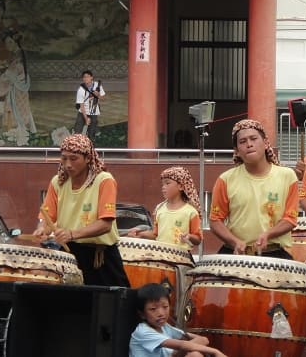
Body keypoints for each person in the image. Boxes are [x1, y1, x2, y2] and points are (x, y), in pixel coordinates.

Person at [33, 133, 130, 287]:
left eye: (74, 158)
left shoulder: (104, 180)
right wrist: (41, 229)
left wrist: (71, 234)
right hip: (69, 255)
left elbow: (105, 224)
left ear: (87, 158)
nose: (68, 164)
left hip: (101, 256)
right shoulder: (57, 182)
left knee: (113, 306)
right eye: (64, 158)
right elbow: (47, 216)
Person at [209, 119, 299, 259]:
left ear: (265, 143)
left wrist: (268, 234)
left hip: (274, 253)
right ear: (237, 151)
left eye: (253, 139)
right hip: (235, 252)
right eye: (242, 142)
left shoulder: (287, 176)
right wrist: (235, 242)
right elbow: (215, 221)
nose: (249, 144)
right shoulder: (225, 179)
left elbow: (291, 219)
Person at [129, 283, 227, 357]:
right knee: (194, 354)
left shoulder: (164, 327)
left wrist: (192, 344)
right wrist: (215, 352)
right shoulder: (143, 331)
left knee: (194, 352)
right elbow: (182, 345)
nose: (161, 313)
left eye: (165, 307)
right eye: (153, 309)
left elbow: (203, 340)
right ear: (142, 314)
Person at [128, 166, 203, 250]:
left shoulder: (190, 212)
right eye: (162, 184)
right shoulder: (160, 209)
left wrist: (189, 236)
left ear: (181, 186)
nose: (163, 187)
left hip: (181, 258)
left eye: (167, 183)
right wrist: (141, 234)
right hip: (161, 256)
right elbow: (156, 234)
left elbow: (198, 239)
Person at [74, 70, 105, 141]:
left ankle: (91, 148)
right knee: (77, 131)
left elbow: (103, 98)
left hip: (94, 112)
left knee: (92, 133)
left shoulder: (98, 85)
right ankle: (76, 147)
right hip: (83, 112)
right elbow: (81, 105)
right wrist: (86, 118)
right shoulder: (81, 89)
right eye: (84, 77)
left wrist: (98, 95)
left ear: (91, 77)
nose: (85, 78)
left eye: (87, 77)